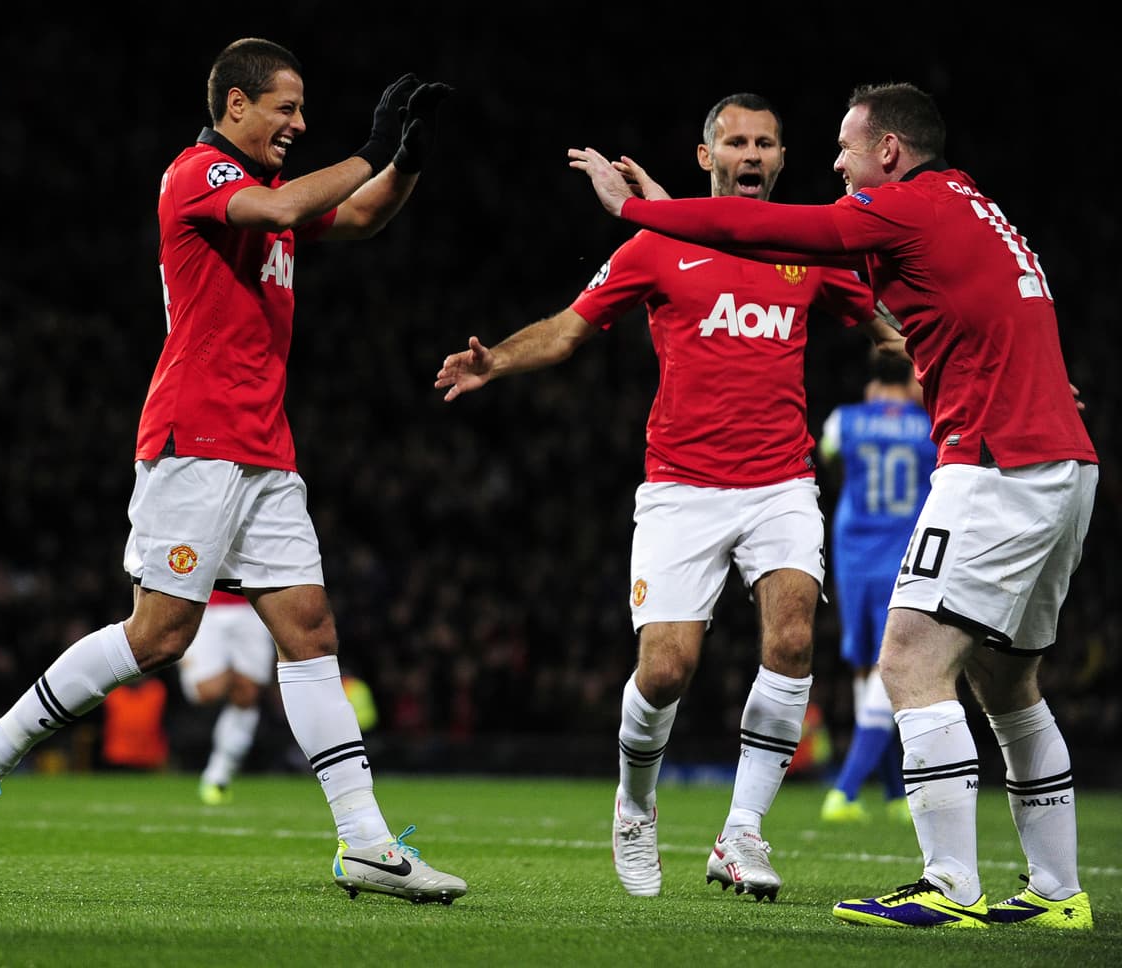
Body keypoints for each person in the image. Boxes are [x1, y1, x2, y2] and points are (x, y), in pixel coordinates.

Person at [0, 37, 466, 906]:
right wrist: (370, 146)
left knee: (310, 631)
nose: (298, 122)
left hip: (263, 447)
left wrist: (403, 163)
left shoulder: (263, 192)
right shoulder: (199, 175)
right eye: (285, 108)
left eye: (302, 109)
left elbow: (361, 219)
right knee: (159, 636)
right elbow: (291, 208)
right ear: (234, 108)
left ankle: (365, 842)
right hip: (194, 438)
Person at [573, 82, 1097, 929]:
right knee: (1009, 682)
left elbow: (773, 231)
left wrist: (641, 213)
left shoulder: (897, 209)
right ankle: (1058, 893)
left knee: (908, 666)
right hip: (1062, 459)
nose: (834, 164)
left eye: (846, 149)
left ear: (888, 152)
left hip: (994, 464)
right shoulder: (970, 203)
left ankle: (950, 886)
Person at [436, 93, 901, 901]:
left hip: (780, 481)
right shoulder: (657, 247)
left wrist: (995, 376)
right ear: (705, 157)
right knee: (666, 671)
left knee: (792, 640)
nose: (751, 155)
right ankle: (636, 801)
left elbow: (892, 331)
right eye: (736, 142)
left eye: (765, 144)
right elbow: (571, 327)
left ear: (782, 161)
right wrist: (496, 362)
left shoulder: (809, 248)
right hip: (681, 490)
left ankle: (742, 832)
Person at [818, 347, 934, 826]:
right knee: (890, 670)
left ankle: (892, 794)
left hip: (852, 552)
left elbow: (830, 460)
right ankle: (844, 791)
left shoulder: (844, 420)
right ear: (912, 378)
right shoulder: (930, 424)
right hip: (904, 552)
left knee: (869, 671)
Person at [179, 589, 276, 805]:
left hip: (251, 604)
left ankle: (219, 773)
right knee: (205, 691)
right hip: (204, 603)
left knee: (247, 694)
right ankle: (192, 660)